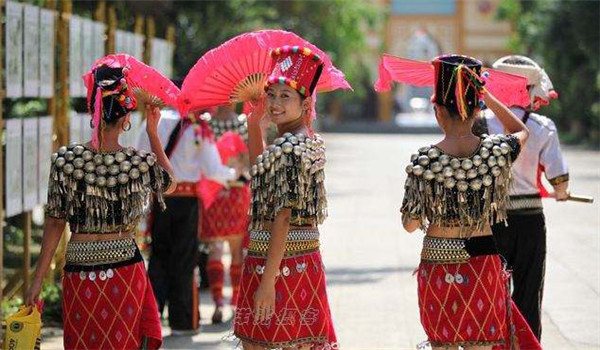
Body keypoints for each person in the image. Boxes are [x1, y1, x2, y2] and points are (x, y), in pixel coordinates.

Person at [26, 57, 176, 349]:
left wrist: (37, 280)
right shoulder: (137, 162)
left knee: (83, 343)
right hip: (124, 271)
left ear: (93, 110)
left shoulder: (66, 160)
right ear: (126, 118)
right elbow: (169, 183)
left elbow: (55, 222)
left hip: (80, 269)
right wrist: (153, 134)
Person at [398, 54, 541, 349]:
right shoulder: (496, 152)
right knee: (482, 343)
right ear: (478, 109)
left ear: (437, 111)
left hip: (439, 261)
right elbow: (521, 131)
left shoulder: (425, 160)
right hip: (483, 259)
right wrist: (486, 94)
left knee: (442, 344)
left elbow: (411, 225)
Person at [233, 46, 337, 349]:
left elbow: (283, 215)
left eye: (285, 96)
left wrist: (268, 280)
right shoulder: (305, 140)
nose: (275, 103)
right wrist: (255, 126)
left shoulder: (289, 148)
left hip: (278, 262)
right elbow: (263, 176)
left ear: (305, 104)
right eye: (272, 94)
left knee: (267, 343)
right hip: (299, 259)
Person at [480, 55, 568, 340]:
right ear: (530, 88)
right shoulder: (544, 127)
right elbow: (559, 181)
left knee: (492, 292)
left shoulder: (479, 124)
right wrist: (561, 193)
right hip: (530, 219)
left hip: (491, 220)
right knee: (529, 291)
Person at [136, 98, 240, 334]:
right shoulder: (197, 126)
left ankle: (149, 321)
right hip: (186, 201)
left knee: (158, 257)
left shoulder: (150, 122)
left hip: (159, 198)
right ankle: (182, 322)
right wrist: (236, 173)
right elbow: (213, 170)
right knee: (184, 259)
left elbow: (140, 157)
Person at [199, 126, 251, 324]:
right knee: (236, 251)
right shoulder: (239, 132)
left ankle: (218, 301)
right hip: (236, 197)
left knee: (216, 249)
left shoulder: (205, 129)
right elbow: (245, 167)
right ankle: (236, 301)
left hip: (216, 197)